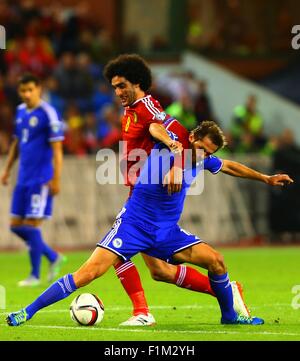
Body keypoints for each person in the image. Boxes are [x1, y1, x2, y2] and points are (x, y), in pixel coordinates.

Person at [6, 120, 293, 327]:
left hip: (167, 232)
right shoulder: (168, 145)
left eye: (209, 152)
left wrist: (266, 178)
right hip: (133, 226)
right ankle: (27, 312)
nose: (203, 155)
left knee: (216, 261)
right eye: (201, 147)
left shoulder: (201, 160)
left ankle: (229, 315)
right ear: (191, 136)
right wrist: (171, 147)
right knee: (87, 273)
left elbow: (229, 166)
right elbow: (154, 127)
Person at [102, 54, 251, 326]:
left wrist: (175, 165)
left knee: (114, 252)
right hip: (141, 188)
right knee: (160, 271)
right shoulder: (135, 107)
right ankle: (229, 290)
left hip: (146, 192)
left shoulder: (147, 107)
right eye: (114, 87)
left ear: (136, 83)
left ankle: (142, 313)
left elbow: (177, 135)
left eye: (121, 85)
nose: (117, 92)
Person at [0, 73, 66, 286]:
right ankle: (53, 256)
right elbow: (17, 143)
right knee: (15, 225)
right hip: (23, 179)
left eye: (30, 90)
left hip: (41, 180)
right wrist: (7, 169)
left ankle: (34, 275)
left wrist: (56, 179)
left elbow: (57, 150)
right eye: (23, 91)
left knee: (31, 225)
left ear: (39, 89)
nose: (27, 94)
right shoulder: (20, 112)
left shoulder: (49, 113)